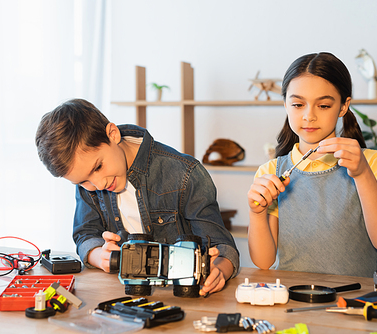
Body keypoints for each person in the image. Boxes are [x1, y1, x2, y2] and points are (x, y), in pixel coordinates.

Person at [35, 99, 239, 295]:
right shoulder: (88, 179)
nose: (98, 185)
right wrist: (99, 256)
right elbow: (85, 234)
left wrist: (220, 269)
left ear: (112, 134)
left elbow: (222, 247)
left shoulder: (185, 173)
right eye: (82, 182)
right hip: (122, 298)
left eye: (98, 167)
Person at [247, 52, 377, 278]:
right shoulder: (271, 172)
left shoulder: (372, 162)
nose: (309, 116)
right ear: (285, 104)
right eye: (298, 104)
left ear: (344, 106)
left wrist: (362, 173)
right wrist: (256, 214)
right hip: (291, 300)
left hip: (353, 303)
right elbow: (264, 261)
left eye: (324, 106)